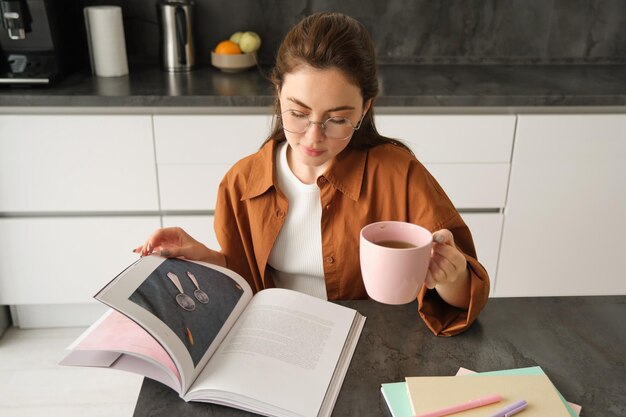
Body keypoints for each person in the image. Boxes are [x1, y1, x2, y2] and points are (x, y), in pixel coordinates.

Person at [134, 12, 489, 336]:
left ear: (365, 107)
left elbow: (464, 301)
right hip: (278, 342)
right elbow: (245, 282)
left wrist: (452, 275)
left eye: (337, 119)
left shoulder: (401, 176)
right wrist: (203, 257)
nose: (314, 137)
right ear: (278, 95)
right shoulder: (242, 183)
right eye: (298, 113)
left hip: (374, 347)